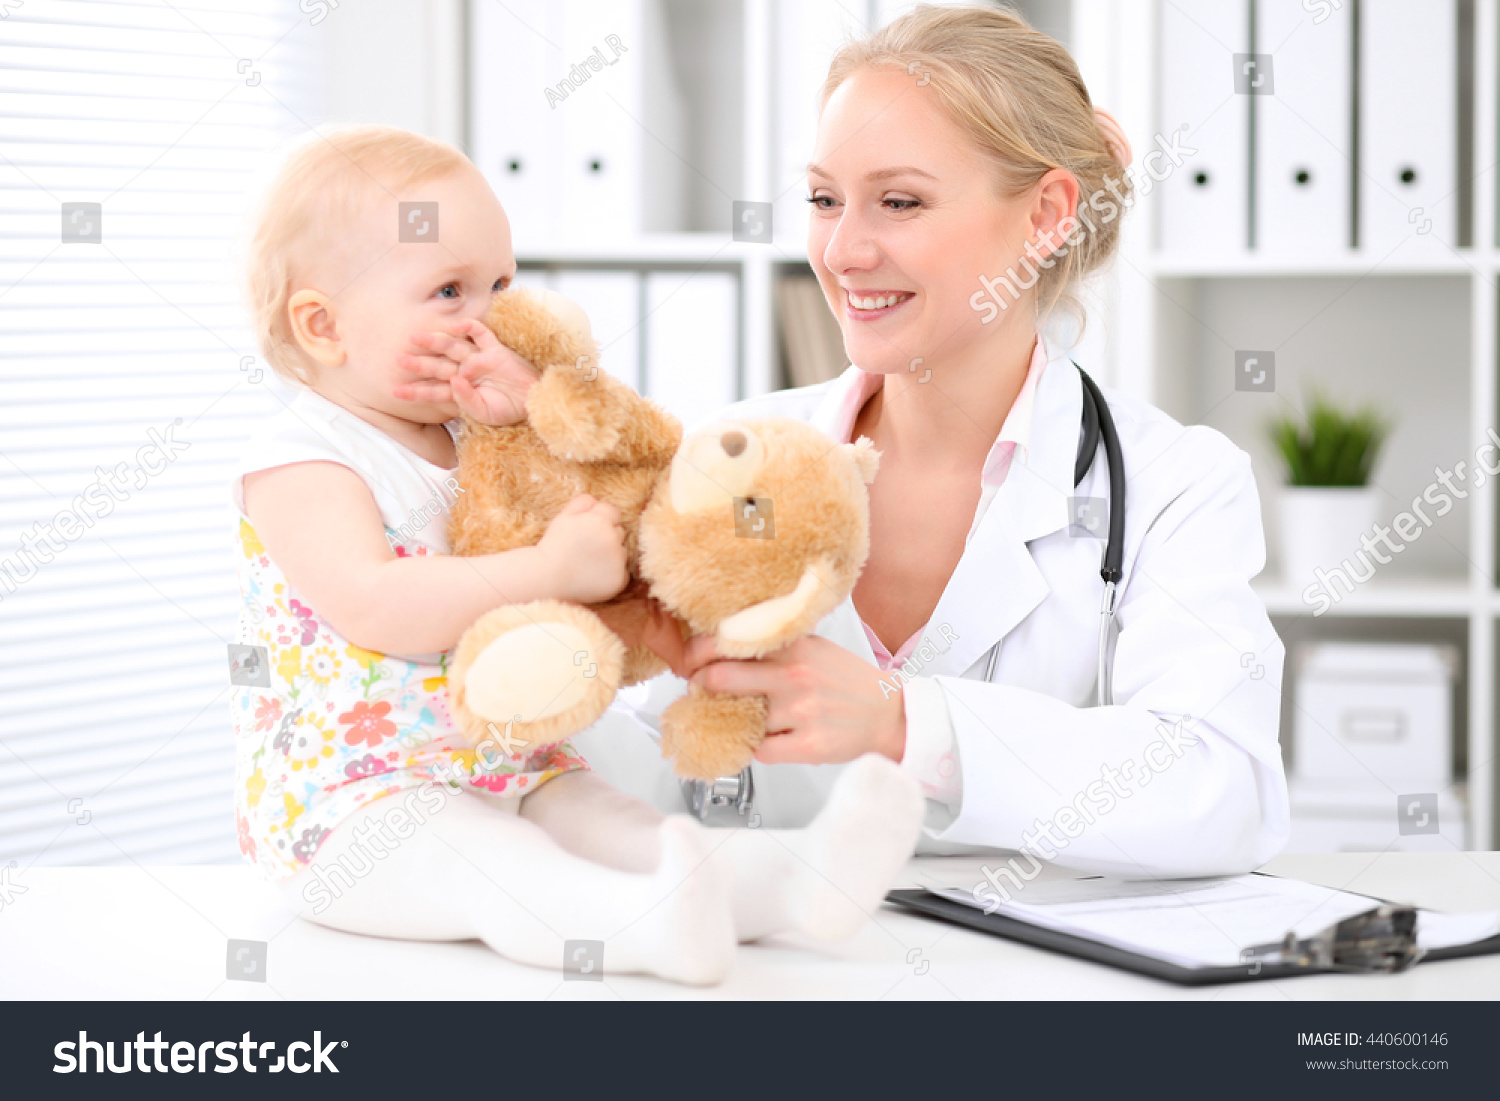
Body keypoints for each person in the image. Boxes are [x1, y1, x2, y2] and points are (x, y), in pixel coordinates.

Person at [584, 4, 1290, 879]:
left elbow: (1224, 793)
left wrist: (908, 722)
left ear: (1046, 215)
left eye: (899, 201)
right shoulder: (730, 455)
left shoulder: (1174, 485)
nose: (841, 250)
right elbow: (635, 761)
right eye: (823, 199)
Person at [229, 125, 923, 985]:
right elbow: (376, 605)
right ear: (324, 325)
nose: (491, 317)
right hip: (354, 808)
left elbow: (612, 497)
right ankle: (639, 931)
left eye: (500, 284)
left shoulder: (476, 436)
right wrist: (550, 572)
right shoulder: (304, 458)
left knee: (623, 828)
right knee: (491, 867)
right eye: (449, 290)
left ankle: (792, 886)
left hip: (511, 763)